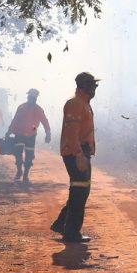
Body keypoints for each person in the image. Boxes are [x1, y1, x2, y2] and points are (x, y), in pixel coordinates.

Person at [49, 72, 98, 244]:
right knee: (79, 192)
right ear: (84, 87)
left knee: (80, 192)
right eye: (92, 86)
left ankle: (62, 224)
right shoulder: (75, 103)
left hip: (81, 152)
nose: (95, 89)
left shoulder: (83, 103)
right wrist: (78, 155)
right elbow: (71, 132)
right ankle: (71, 232)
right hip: (76, 153)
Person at [5, 88, 52, 183]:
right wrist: (9, 131)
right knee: (18, 153)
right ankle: (19, 170)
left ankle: (25, 174)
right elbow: (15, 120)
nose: (31, 98)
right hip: (19, 133)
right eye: (30, 96)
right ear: (28, 97)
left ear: (36, 98)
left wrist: (48, 133)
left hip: (31, 134)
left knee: (29, 155)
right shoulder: (21, 107)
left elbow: (45, 121)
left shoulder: (39, 109)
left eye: (33, 97)